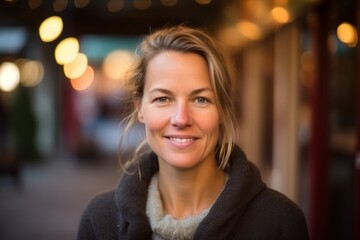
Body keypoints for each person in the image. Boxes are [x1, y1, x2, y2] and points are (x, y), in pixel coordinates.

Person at [78, 25, 309, 240]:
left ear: (223, 109)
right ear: (140, 109)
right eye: (162, 99)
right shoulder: (100, 221)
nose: (181, 118)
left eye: (201, 99)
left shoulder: (280, 223)